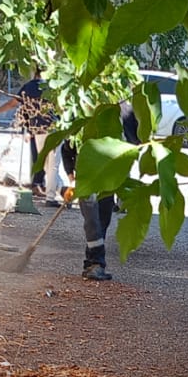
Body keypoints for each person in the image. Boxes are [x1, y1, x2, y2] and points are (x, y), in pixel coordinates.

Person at [62, 99, 142, 282]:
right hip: (87, 176)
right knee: (92, 220)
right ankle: (97, 264)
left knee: (103, 219)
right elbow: (67, 148)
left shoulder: (125, 112)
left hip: (109, 178)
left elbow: (137, 141)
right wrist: (72, 179)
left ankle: (91, 262)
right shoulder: (84, 113)